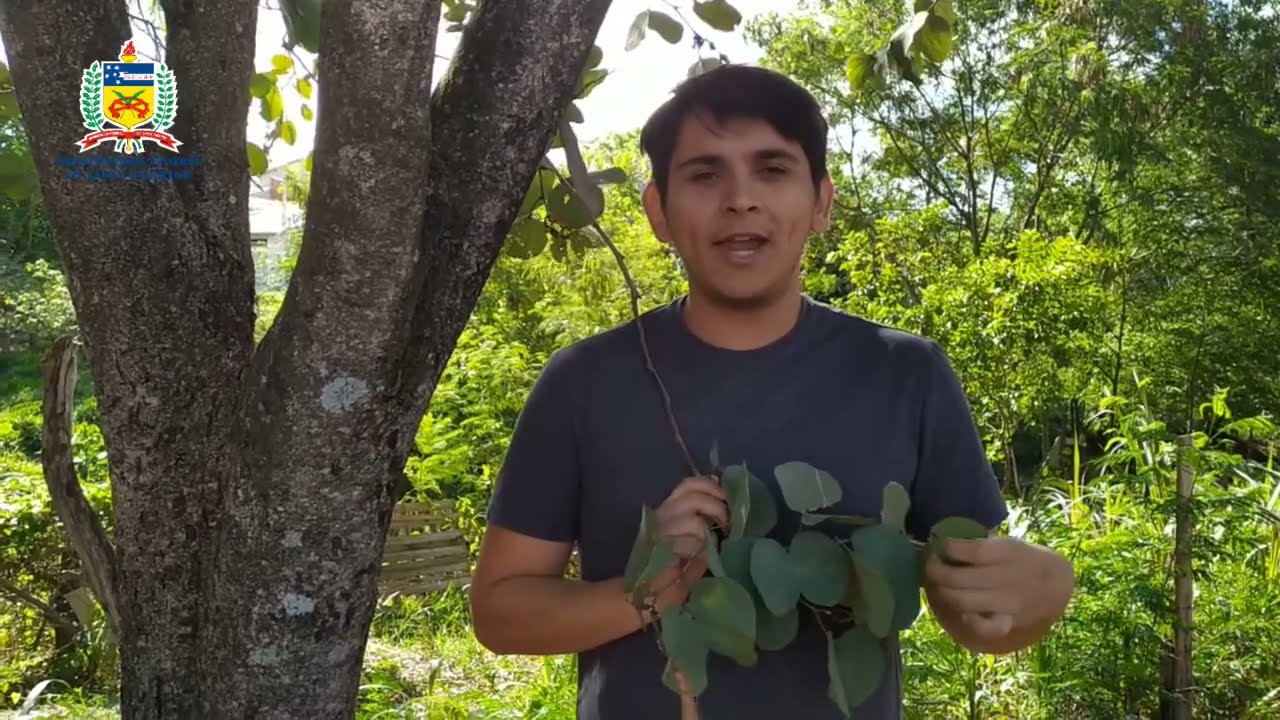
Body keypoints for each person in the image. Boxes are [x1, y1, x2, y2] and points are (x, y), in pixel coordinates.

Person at [468, 63, 1074, 719]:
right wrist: (650, 589)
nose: (740, 199)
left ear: (821, 204)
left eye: (773, 170)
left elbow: (980, 618)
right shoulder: (584, 383)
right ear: (658, 212)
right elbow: (501, 615)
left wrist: (1041, 596)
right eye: (704, 174)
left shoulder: (906, 374)